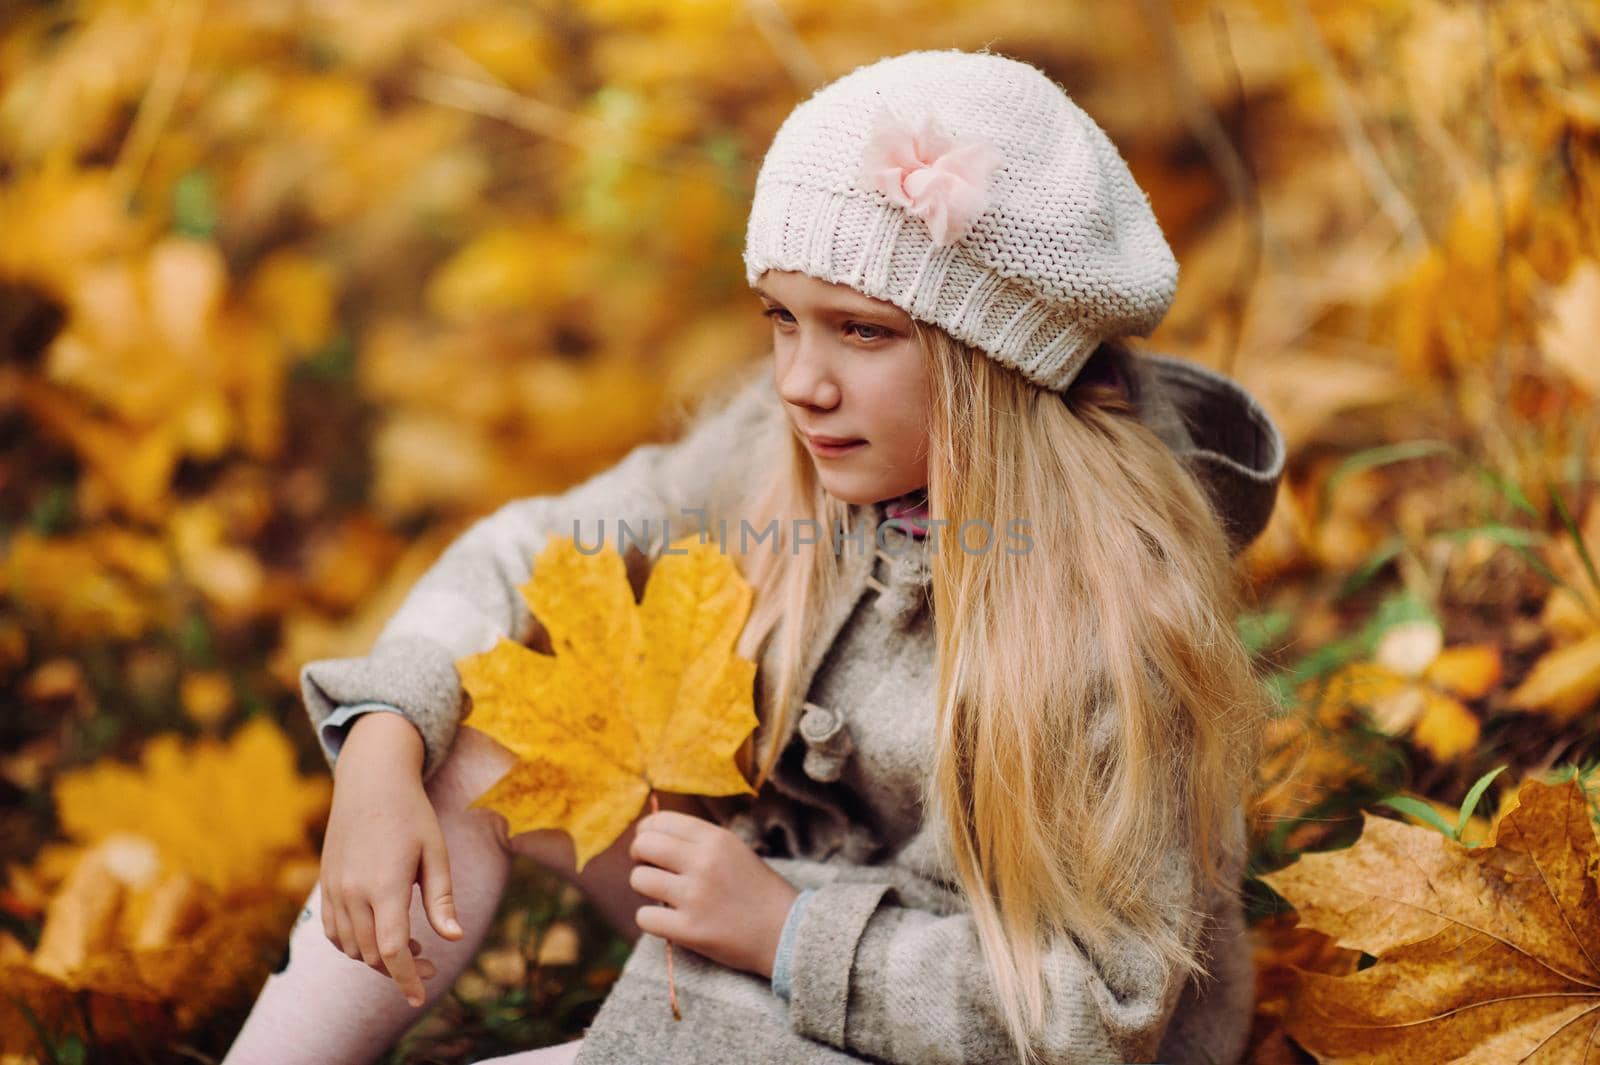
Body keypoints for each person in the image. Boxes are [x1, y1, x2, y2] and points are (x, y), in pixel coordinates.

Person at [223, 47, 1286, 1065]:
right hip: (760, 891)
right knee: (464, 739)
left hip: (959, 1018)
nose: (800, 381)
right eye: (781, 319)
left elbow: (1097, 1014)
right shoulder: (780, 454)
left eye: (861, 332)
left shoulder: (1110, 622)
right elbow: (529, 548)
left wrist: (788, 932)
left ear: (995, 358)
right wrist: (381, 735)